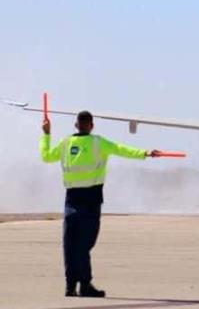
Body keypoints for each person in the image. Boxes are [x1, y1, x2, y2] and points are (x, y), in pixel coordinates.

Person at [40, 111, 156, 298]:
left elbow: (46, 156)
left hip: (71, 199)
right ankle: (84, 285)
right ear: (91, 126)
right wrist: (145, 153)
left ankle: (70, 286)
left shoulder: (65, 144)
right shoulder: (98, 143)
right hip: (91, 199)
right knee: (84, 244)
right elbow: (122, 149)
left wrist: (46, 134)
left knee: (70, 243)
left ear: (76, 125)